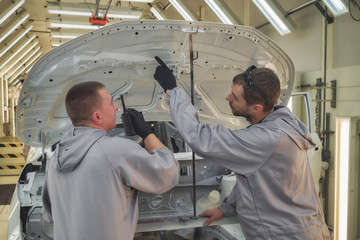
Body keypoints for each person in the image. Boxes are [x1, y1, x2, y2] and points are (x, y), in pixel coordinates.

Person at [153, 56, 330, 239]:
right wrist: (226, 209)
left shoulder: (266, 139)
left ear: (256, 108)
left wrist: (172, 91)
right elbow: (255, 179)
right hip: (304, 230)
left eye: (235, 97)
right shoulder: (283, 122)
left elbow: (200, 138)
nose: (227, 97)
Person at [42, 81, 179, 240]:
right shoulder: (116, 150)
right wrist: (147, 133)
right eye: (111, 103)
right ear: (97, 117)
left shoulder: (56, 159)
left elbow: (50, 214)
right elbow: (169, 173)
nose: (116, 107)